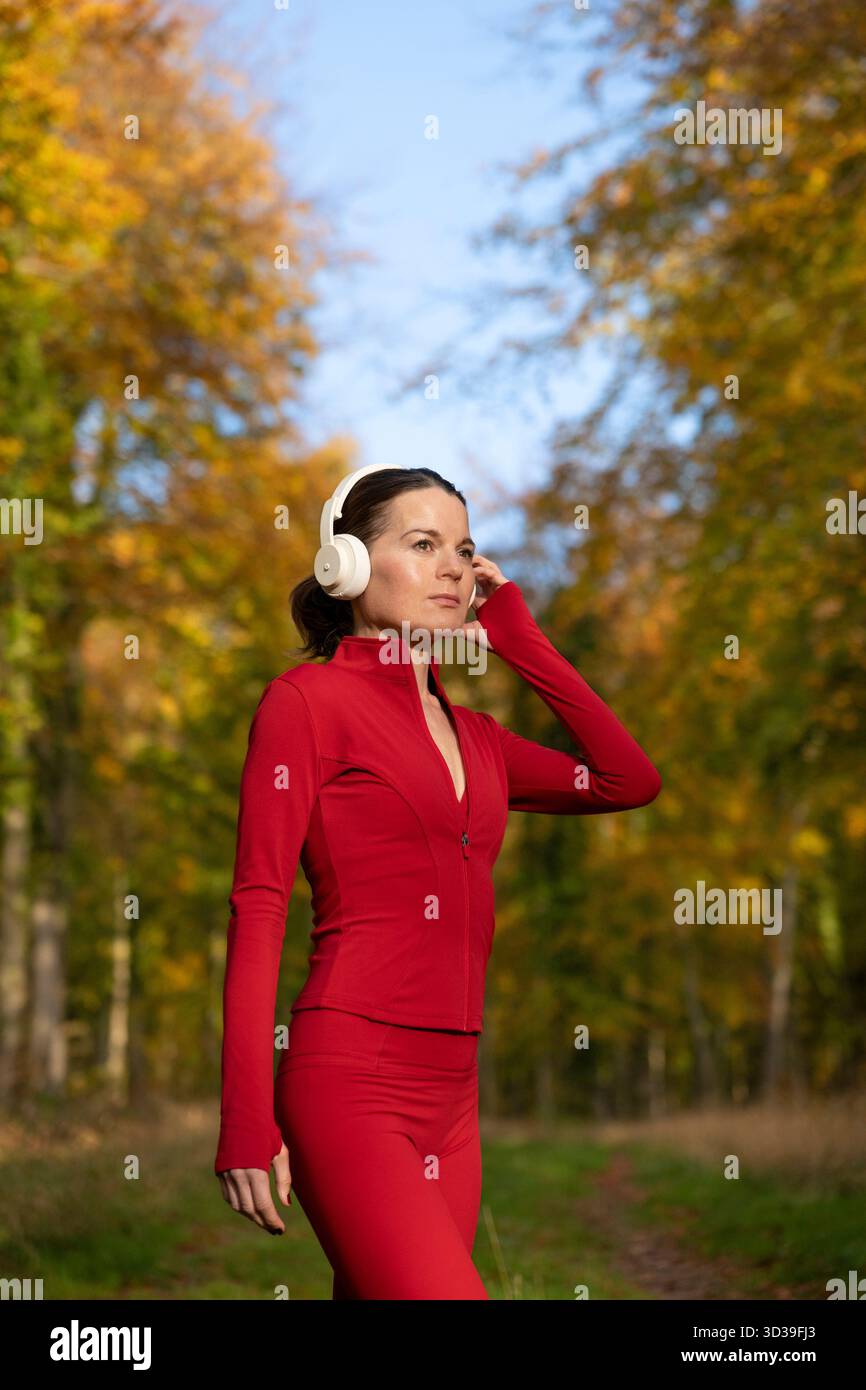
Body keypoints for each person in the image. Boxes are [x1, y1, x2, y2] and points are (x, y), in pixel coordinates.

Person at [214, 465, 662, 1299]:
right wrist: (246, 1114)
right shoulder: (304, 703)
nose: (453, 567)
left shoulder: (482, 740)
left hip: (454, 1100)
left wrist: (519, 636)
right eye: (422, 545)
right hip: (349, 1078)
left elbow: (625, 779)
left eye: (464, 549)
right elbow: (260, 906)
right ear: (345, 564)